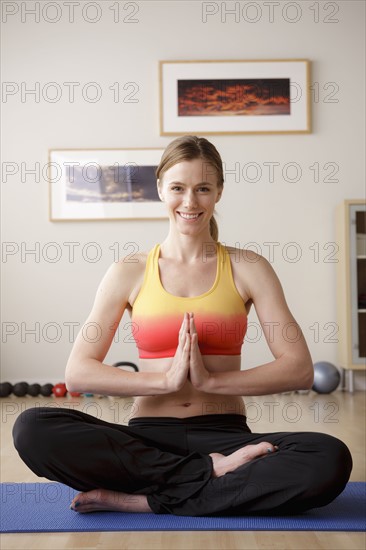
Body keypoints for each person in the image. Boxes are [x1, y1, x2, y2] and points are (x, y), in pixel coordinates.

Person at [13, 136, 352, 517]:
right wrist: (164, 382)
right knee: (33, 427)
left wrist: (211, 382)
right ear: (160, 188)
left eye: (203, 189)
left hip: (227, 436)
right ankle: (208, 475)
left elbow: (299, 368)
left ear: (219, 192)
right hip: (147, 442)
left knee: (328, 457)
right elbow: (78, 373)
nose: (190, 202)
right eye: (178, 188)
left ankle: (144, 500)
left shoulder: (249, 267)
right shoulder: (129, 270)